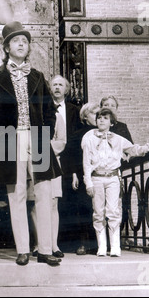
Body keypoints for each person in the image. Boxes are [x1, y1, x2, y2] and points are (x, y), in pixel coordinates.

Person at [0, 21, 62, 266]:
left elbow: (50, 111)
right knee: (15, 194)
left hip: (36, 138)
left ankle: (45, 249)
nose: (21, 44)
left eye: (25, 41)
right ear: (7, 47)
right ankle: (23, 249)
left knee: (44, 193)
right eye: (16, 41)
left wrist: (44, 136)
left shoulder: (37, 76)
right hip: (9, 139)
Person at [81, 108, 149, 257]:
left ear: (111, 122)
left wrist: (148, 146)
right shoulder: (89, 139)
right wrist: (88, 182)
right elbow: (86, 163)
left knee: (113, 210)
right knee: (98, 212)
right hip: (97, 178)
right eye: (99, 118)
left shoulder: (117, 139)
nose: (101, 120)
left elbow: (133, 149)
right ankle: (102, 246)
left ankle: (115, 246)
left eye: (105, 118)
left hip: (113, 179)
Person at [29, 102, 66, 258]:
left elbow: (61, 142)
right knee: (35, 203)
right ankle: (39, 244)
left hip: (50, 161)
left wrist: (42, 147)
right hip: (31, 160)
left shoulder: (57, 117)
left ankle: (53, 244)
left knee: (52, 203)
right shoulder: (29, 118)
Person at [50, 75, 82, 250]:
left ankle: (68, 243)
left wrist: (75, 170)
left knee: (68, 201)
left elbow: (76, 140)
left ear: (66, 89)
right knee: (50, 201)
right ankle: (50, 243)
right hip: (50, 158)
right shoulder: (45, 109)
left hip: (68, 161)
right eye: (54, 84)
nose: (57, 88)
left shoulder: (73, 110)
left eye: (60, 85)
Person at [65, 102, 100, 255]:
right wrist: (73, 174)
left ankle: (99, 244)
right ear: (85, 117)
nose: (98, 118)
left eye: (100, 115)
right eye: (94, 114)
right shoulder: (78, 133)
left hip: (100, 175)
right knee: (83, 209)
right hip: (81, 175)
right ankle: (83, 243)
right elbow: (70, 155)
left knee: (99, 209)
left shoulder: (104, 132)